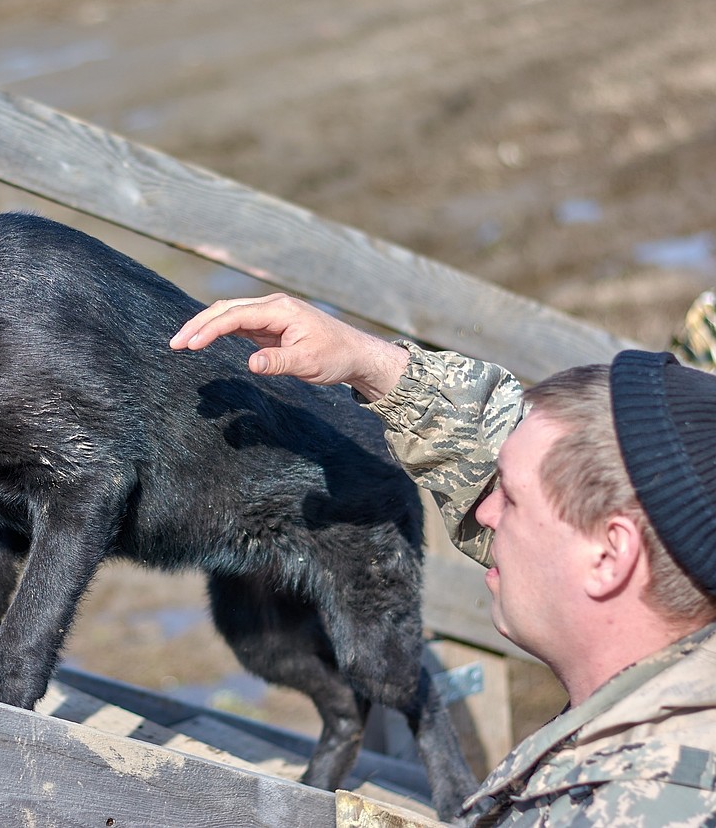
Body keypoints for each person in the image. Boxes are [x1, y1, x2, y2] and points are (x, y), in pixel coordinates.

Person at [170, 293, 716, 827]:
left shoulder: (640, 806)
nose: (486, 512)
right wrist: (370, 361)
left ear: (610, 556)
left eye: (514, 498)